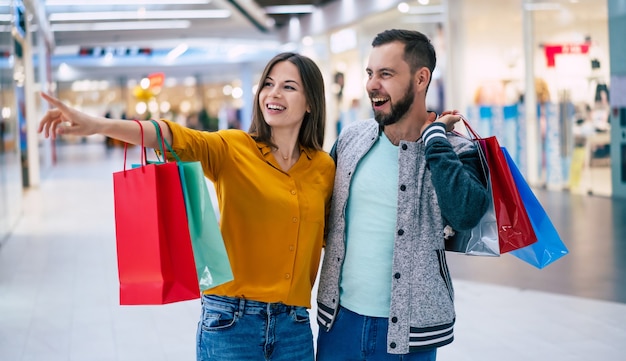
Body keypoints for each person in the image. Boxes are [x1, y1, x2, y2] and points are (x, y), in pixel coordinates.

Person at [38, 52, 335, 361]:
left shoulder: (324, 168)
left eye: (288, 87)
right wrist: (97, 124)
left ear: (311, 102)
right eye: (268, 84)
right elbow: (170, 137)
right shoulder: (233, 148)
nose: (273, 94)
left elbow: (333, 238)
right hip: (232, 321)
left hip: (295, 327)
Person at [315, 29, 490, 361]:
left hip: (409, 335)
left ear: (421, 78)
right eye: (369, 73)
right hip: (339, 325)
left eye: (386, 74)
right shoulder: (352, 139)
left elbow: (466, 213)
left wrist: (434, 137)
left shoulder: (454, 150)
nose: (371, 84)